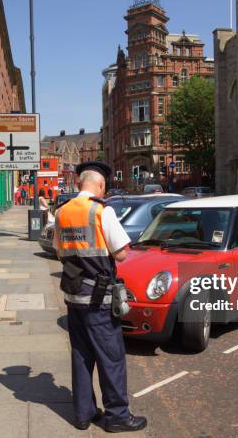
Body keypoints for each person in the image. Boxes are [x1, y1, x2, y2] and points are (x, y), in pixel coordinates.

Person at [53, 162, 147, 433]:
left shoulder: (61, 213)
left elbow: (60, 252)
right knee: (111, 357)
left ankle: (83, 414)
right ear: (100, 184)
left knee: (81, 355)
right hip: (99, 300)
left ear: (79, 183)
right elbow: (121, 253)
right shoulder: (101, 211)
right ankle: (117, 415)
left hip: (73, 297)